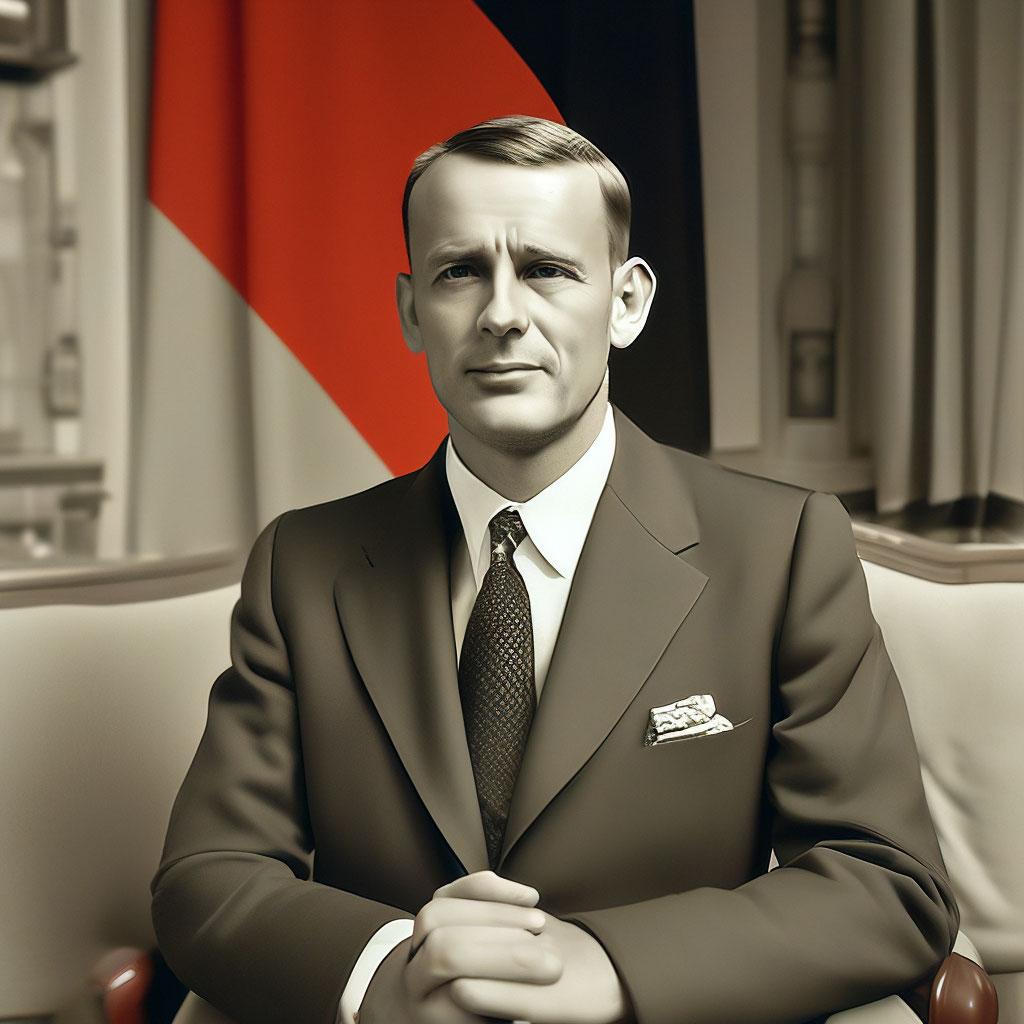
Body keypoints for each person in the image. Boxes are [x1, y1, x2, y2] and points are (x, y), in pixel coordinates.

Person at [152, 116, 959, 1024]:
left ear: (627, 302)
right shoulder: (303, 565)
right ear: (412, 310)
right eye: (460, 271)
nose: (501, 313)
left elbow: (887, 881)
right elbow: (207, 878)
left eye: (545, 269)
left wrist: (607, 966)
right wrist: (387, 971)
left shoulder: (784, 548)